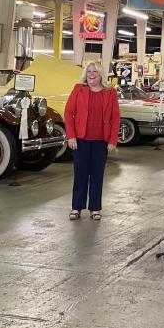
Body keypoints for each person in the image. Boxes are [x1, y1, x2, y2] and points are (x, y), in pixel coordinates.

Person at [64, 61, 119, 221]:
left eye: (95, 71)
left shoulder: (110, 92)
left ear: (101, 74)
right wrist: (71, 135)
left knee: (97, 175)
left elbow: (115, 118)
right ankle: (76, 207)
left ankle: (95, 208)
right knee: (80, 174)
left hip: (101, 141)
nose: (91, 74)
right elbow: (68, 113)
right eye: (89, 72)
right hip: (80, 140)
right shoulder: (78, 89)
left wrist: (113, 140)